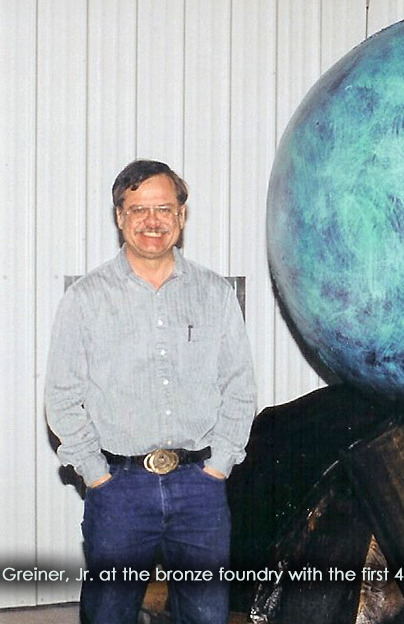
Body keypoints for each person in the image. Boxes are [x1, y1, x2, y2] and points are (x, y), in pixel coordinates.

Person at [45, 160, 257, 624]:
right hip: (119, 490)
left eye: (164, 208)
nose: (152, 221)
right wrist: (97, 475)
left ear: (182, 215)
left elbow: (239, 388)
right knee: (109, 615)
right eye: (138, 209)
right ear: (119, 216)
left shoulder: (214, 294)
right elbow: (62, 397)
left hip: (200, 488)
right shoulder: (85, 298)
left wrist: (220, 465)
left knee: (205, 615)